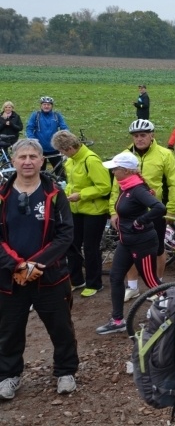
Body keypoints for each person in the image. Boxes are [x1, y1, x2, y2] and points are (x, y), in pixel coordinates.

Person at [0, 139, 78, 399]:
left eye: (33, 156)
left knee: (61, 326)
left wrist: (35, 264)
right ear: (13, 161)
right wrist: (16, 265)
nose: (28, 161)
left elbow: (65, 234)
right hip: (10, 278)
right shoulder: (2, 194)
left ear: (42, 160)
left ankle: (65, 372)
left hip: (50, 276)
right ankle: (9, 375)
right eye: (22, 156)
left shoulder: (55, 193)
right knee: (9, 330)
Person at [109, 119, 175, 300]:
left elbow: (174, 183)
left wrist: (171, 210)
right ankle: (132, 287)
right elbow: (115, 186)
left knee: (157, 250)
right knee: (130, 247)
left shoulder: (164, 154)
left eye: (143, 135)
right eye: (135, 136)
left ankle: (157, 285)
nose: (139, 139)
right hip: (129, 211)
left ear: (152, 135)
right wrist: (113, 211)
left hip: (154, 211)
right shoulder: (124, 155)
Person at [96, 152, 165, 335]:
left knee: (152, 282)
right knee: (115, 277)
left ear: (126, 170)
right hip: (126, 242)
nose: (112, 172)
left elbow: (159, 207)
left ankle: (172, 309)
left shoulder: (137, 189)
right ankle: (117, 320)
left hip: (142, 243)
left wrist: (140, 221)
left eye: (115, 169)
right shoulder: (125, 186)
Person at [51, 130, 112, 297]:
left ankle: (95, 283)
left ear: (70, 148)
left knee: (91, 247)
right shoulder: (70, 161)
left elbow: (104, 186)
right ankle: (76, 280)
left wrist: (81, 195)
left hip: (94, 210)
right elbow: (72, 183)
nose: (61, 154)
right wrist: (65, 192)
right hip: (75, 209)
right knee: (72, 244)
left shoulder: (91, 160)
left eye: (62, 150)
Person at [25, 96, 69, 169]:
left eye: (48, 105)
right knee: (40, 171)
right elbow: (29, 128)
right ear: (41, 106)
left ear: (51, 106)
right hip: (39, 148)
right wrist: (32, 139)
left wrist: (65, 135)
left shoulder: (56, 115)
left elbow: (64, 127)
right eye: (44, 104)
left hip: (54, 148)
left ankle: (62, 180)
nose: (46, 106)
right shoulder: (36, 115)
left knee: (59, 170)